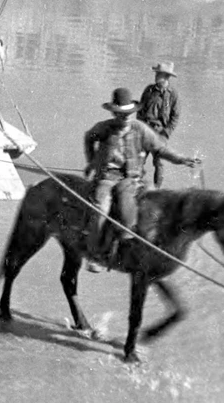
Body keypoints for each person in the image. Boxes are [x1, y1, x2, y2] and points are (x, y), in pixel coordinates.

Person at [83, 87, 200, 270]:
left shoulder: (140, 129)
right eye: (121, 114)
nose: (126, 118)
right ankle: (95, 254)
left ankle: (152, 249)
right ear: (114, 113)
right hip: (107, 177)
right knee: (100, 208)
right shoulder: (104, 128)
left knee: (144, 208)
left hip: (131, 178)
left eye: (129, 113)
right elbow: (89, 137)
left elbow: (160, 149)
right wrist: (92, 162)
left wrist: (182, 160)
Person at [138, 61, 181, 188]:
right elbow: (140, 109)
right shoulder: (149, 90)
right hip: (146, 129)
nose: (156, 76)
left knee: (159, 162)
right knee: (139, 159)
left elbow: (175, 116)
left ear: (167, 77)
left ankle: (157, 189)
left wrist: (166, 133)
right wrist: (140, 127)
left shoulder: (173, 94)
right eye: (157, 74)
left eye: (159, 74)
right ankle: (136, 185)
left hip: (160, 131)